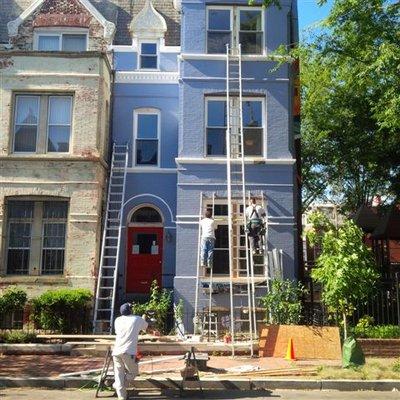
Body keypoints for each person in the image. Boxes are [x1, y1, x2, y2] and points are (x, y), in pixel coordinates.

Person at [112, 303, 148, 400]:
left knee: (119, 374)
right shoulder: (137, 319)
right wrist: (144, 318)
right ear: (131, 310)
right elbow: (146, 328)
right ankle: (119, 384)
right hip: (128, 352)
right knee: (133, 373)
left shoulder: (117, 320)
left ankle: (121, 396)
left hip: (116, 351)